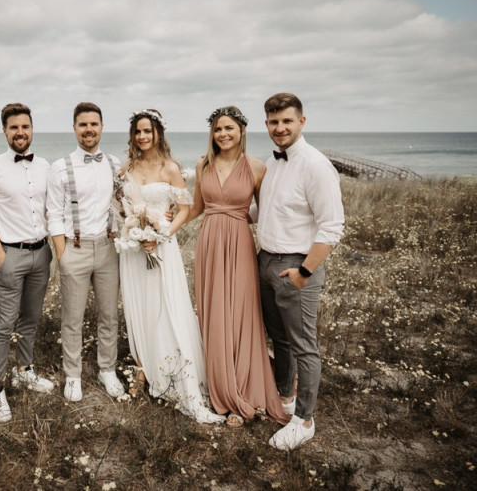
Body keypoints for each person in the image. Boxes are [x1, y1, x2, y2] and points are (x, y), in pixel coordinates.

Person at [115, 109, 225, 424]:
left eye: (147, 131)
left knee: (167, 306)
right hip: (133, 247)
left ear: (158, 133)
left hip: (162, 247)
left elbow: (186, 209)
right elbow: (123, 207)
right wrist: (136, 233)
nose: (142, 137)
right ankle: (143, 369)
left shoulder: (171, 168)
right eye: (137, 132)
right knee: (140, 308)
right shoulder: (128, 168)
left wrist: (161, 234)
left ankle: (176, 375)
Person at [189, 105, 290, 429]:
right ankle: (222, 389)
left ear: (242, 131)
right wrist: (159, 226)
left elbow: (267, 210)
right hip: (209, 244)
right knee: (214, 314)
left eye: (229, 128)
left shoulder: (258, 168)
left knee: (242, 316)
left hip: (241, 245)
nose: (223, 134)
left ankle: (244, 389)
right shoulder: (202, 165)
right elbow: (194, 208)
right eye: (218, 129)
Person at [256, 93, 344, 450]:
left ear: (301, 122)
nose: (280, 128)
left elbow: (332, 226)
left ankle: (304, 420)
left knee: (304, 346)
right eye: (274, 122)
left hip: (297, 266)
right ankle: (284, 398)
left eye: (287, 121)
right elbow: (268, 212)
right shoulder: (273, 161)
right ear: (267, 125)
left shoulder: (316, 165)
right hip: (266, 261)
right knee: (279, 340)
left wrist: (303, 272)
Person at [0, 103, 54, 422]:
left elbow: (56, 209)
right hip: (9, 253)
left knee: (31, 319)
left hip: (42, 253)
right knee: (3, 325)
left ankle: (24, 370)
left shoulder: (46, 166)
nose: (20, 132)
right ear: (5, 131)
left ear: (32, 128)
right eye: (14, 127)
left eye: (25, 126)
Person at [46, 102, 125, 402]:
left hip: (107, 248)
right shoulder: (60, 167)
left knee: (108, 315)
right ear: (75, 128)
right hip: (74, 249)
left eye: (94, 124)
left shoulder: (114, 164)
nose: (89, 129)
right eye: (83, 124)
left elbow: (123, 204)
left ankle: (108, 369)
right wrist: (62, 254)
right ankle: (73, 375)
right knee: (72, 318)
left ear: (102, 127)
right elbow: (54, 213)